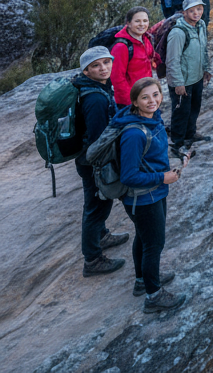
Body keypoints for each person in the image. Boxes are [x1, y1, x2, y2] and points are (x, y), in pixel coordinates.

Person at [109, 77, 187, 313]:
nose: (152, 101)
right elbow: (129, 176)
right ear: (134, 102)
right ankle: (154, 296)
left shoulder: (153, 120)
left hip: (153, 192)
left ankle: (142, 281)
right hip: (142, 197)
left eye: (156, 94)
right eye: (145, 97)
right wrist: (162, 178)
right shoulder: (134, 133)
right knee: (154, 243)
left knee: (143, 238)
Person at [74, 46, 129, 277]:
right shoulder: (95, 98)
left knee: (97, 203)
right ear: (86, 71)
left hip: (88, 158)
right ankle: (93, 260)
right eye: (96, 65)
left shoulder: (96, 87)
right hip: (94, 161)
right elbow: (99, 138)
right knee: (97, 206)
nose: (103, 68)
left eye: (106, 62)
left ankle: (101, 235)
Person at [165, 0, 212, 158]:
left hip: (197, 77)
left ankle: (190, 135)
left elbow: (204, 48)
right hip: (182, 81)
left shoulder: (201, 25)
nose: (196, 13)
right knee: (180, 113)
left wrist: (207, 68)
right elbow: (172, 60)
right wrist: (178, 83)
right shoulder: (178, 32)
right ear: (184, 12)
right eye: (191, 10)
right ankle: (178, 144)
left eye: (199, 9)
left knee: (194, 108)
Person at [110, 7, 156, 108]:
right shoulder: (121, 47)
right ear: (128, 23)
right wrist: (131, 101)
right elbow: (117, 78)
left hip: (146, 95)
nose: (142, 24)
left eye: (145, 21)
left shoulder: (146, 39)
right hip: (130, 101)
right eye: (137, 21)